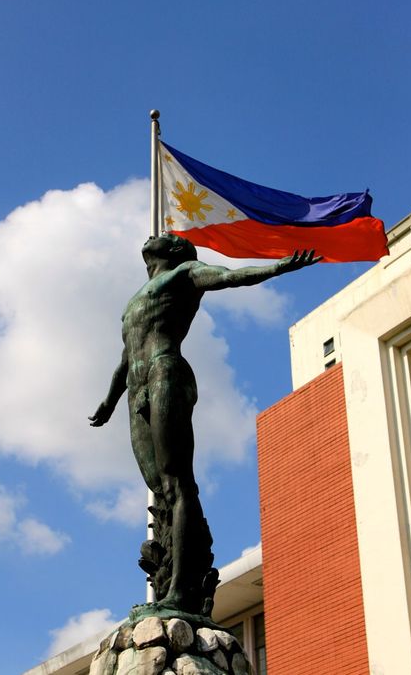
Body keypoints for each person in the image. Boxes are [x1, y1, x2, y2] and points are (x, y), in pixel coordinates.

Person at [89, 233, 319, 613]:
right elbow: (126, 354)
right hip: (136, 389)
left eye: (165, 236)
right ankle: (170, 584)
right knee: (159, 489)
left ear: (176, 250)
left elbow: (229, 277)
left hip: (166, 373)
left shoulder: (186, 272)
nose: (154, 234)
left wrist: (278, 267)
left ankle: (182, 590)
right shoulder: (134, 301)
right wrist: (110, 400)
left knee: (177, 482)